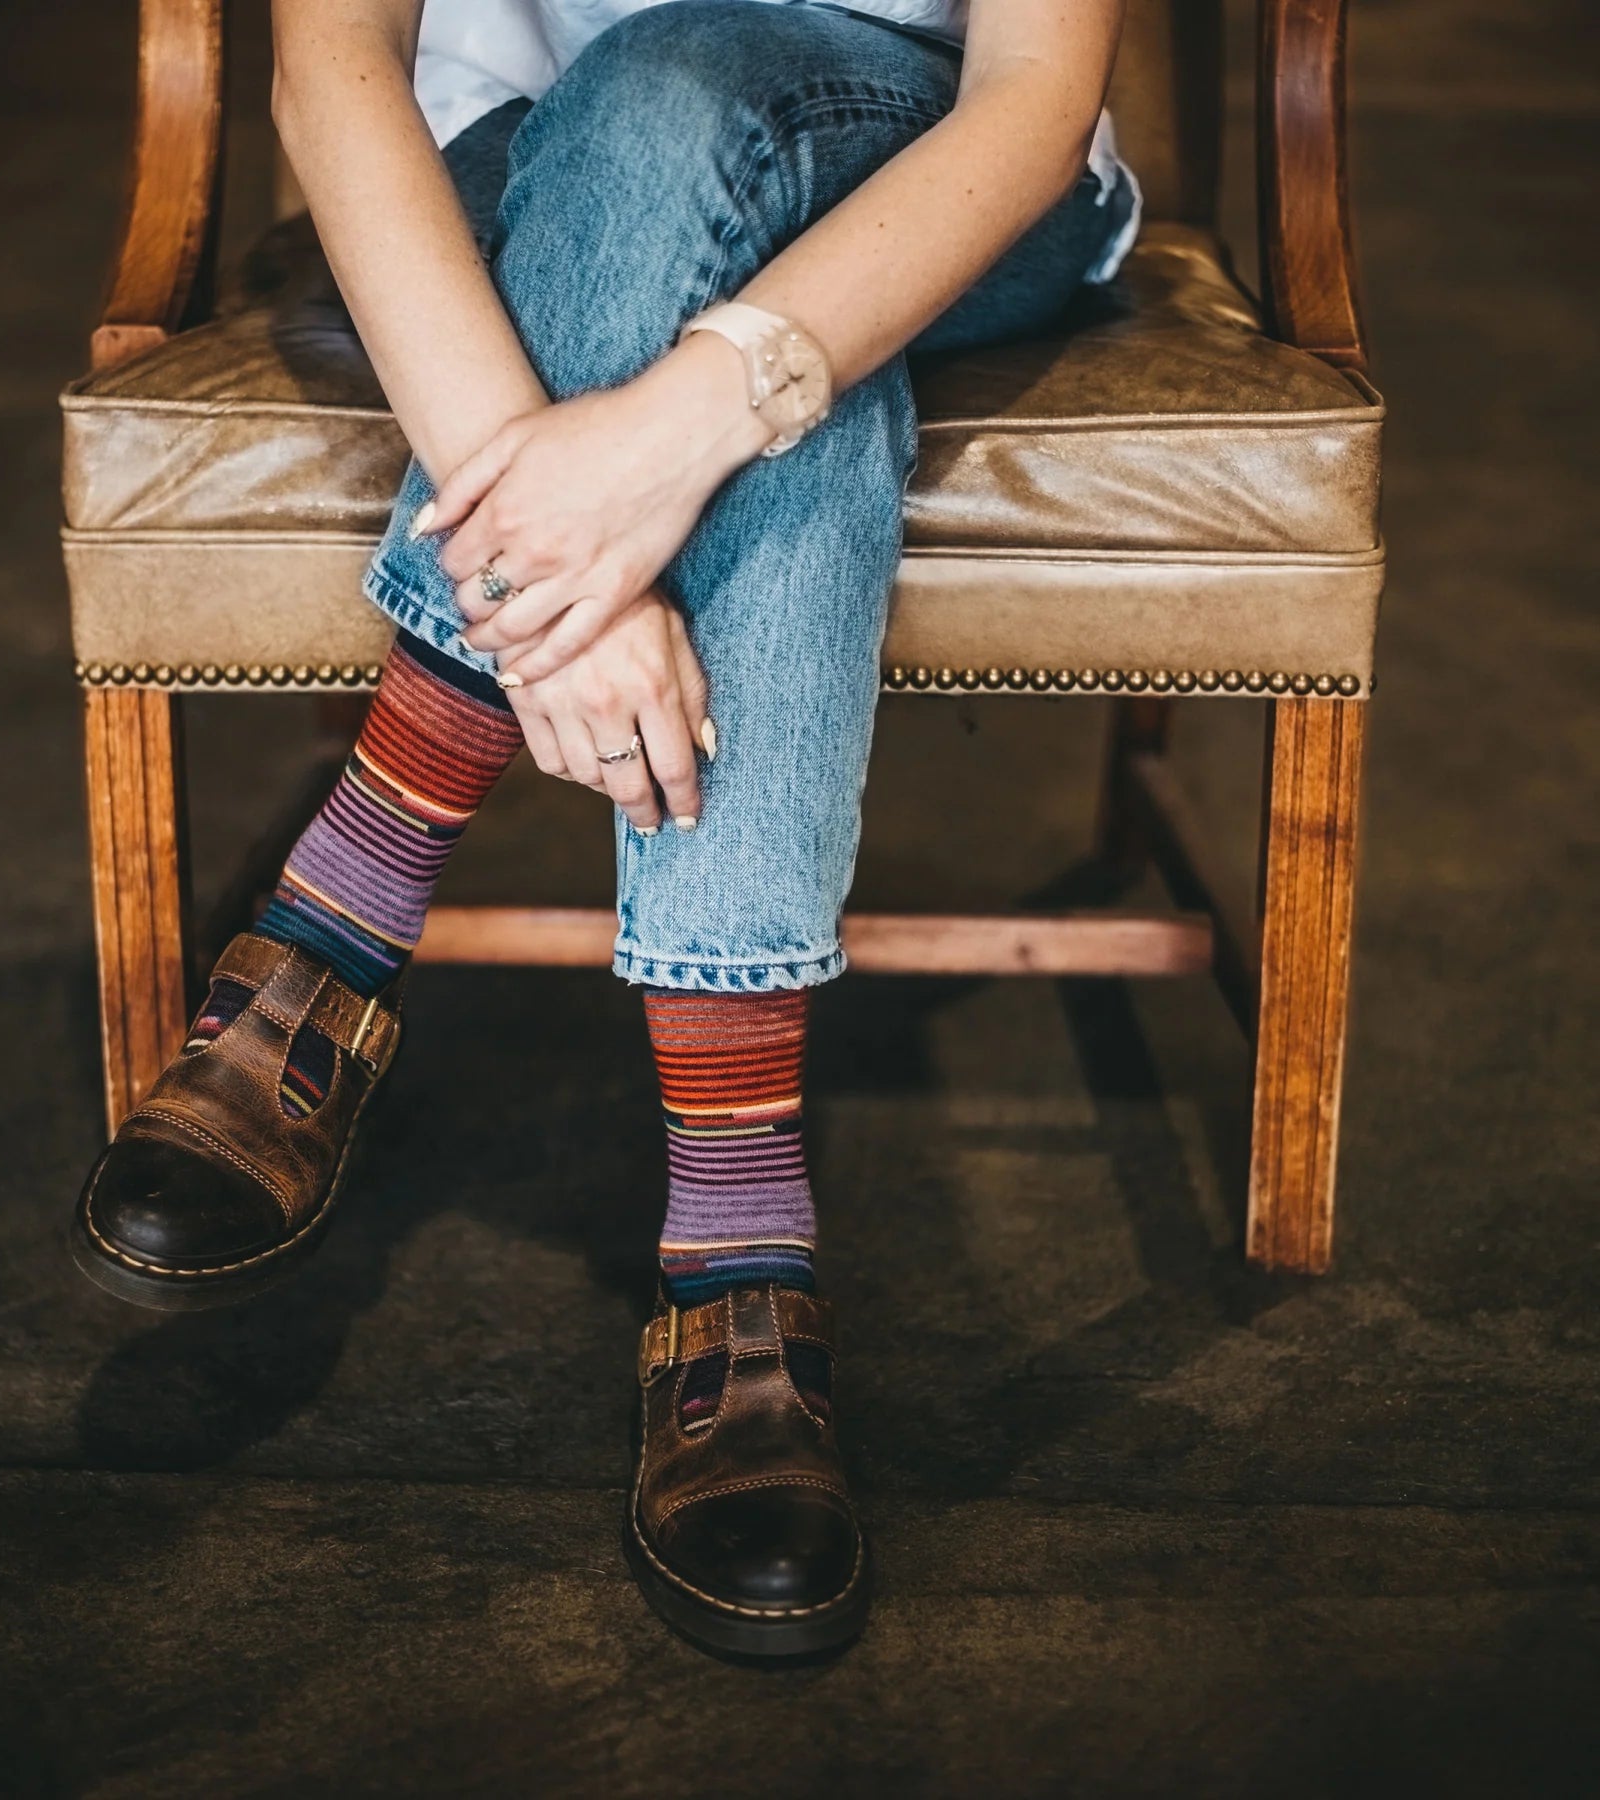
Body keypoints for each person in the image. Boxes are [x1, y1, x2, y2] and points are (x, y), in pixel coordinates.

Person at [70, 0, 1138, 1659]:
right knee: (667, 187)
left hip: (945, 166)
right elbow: (333, 63)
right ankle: (738, 1239)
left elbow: (1036, 99)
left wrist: (654, 443)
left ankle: (341, 917)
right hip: (522, 169)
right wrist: (594, 552)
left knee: (671, 90)